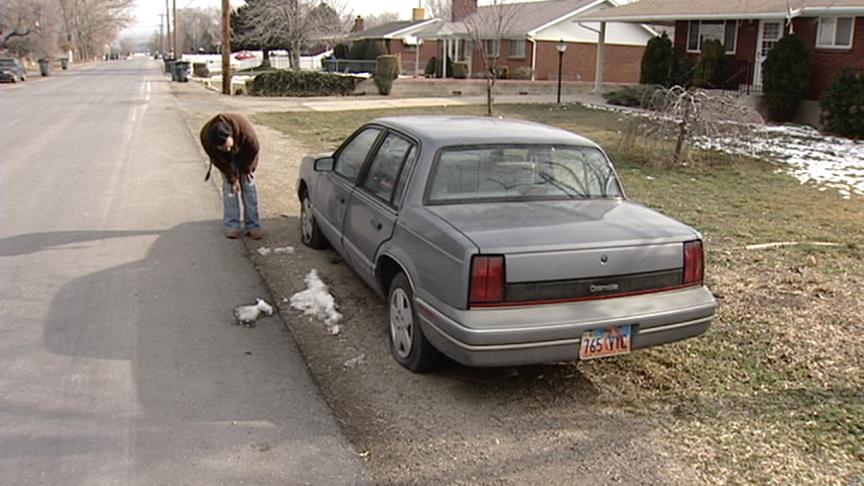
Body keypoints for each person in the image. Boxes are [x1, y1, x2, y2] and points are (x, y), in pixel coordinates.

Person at [200, 113, 263, 240]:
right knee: (230, 190)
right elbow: (218, 160)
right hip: (224, 161)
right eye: (223, 148)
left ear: (231, 136)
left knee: (249, 188)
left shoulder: (246, 132)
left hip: (245, 155)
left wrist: (247, 169)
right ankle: (232, 226)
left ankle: (253, 226)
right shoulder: (206, 137)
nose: (227, 150)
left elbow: (254, 150)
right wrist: (232, 178)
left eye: (228, 146)